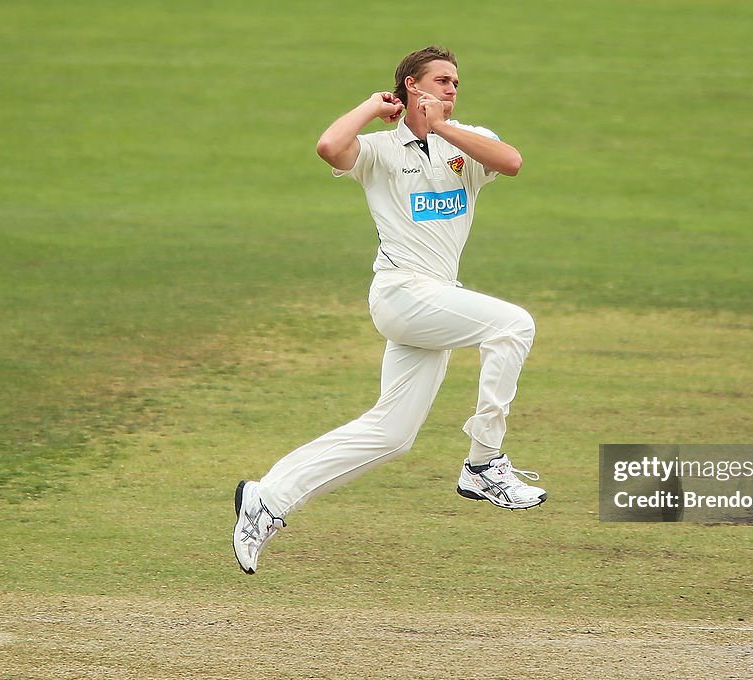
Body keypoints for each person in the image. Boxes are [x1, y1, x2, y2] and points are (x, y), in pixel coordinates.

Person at [233, 46, 546, 575]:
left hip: (436, 297)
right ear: (411, 87)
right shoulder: (379, 150)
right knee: (515, 325)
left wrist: (441, 128)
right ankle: (484, 462)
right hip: (402, 292)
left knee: (391, 434)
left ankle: (268, 498)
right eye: (441, 82)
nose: (452, 90)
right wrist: (371, 106)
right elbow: (329, 146)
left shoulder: (467, 143)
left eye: (455, 83)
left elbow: (511, 162)